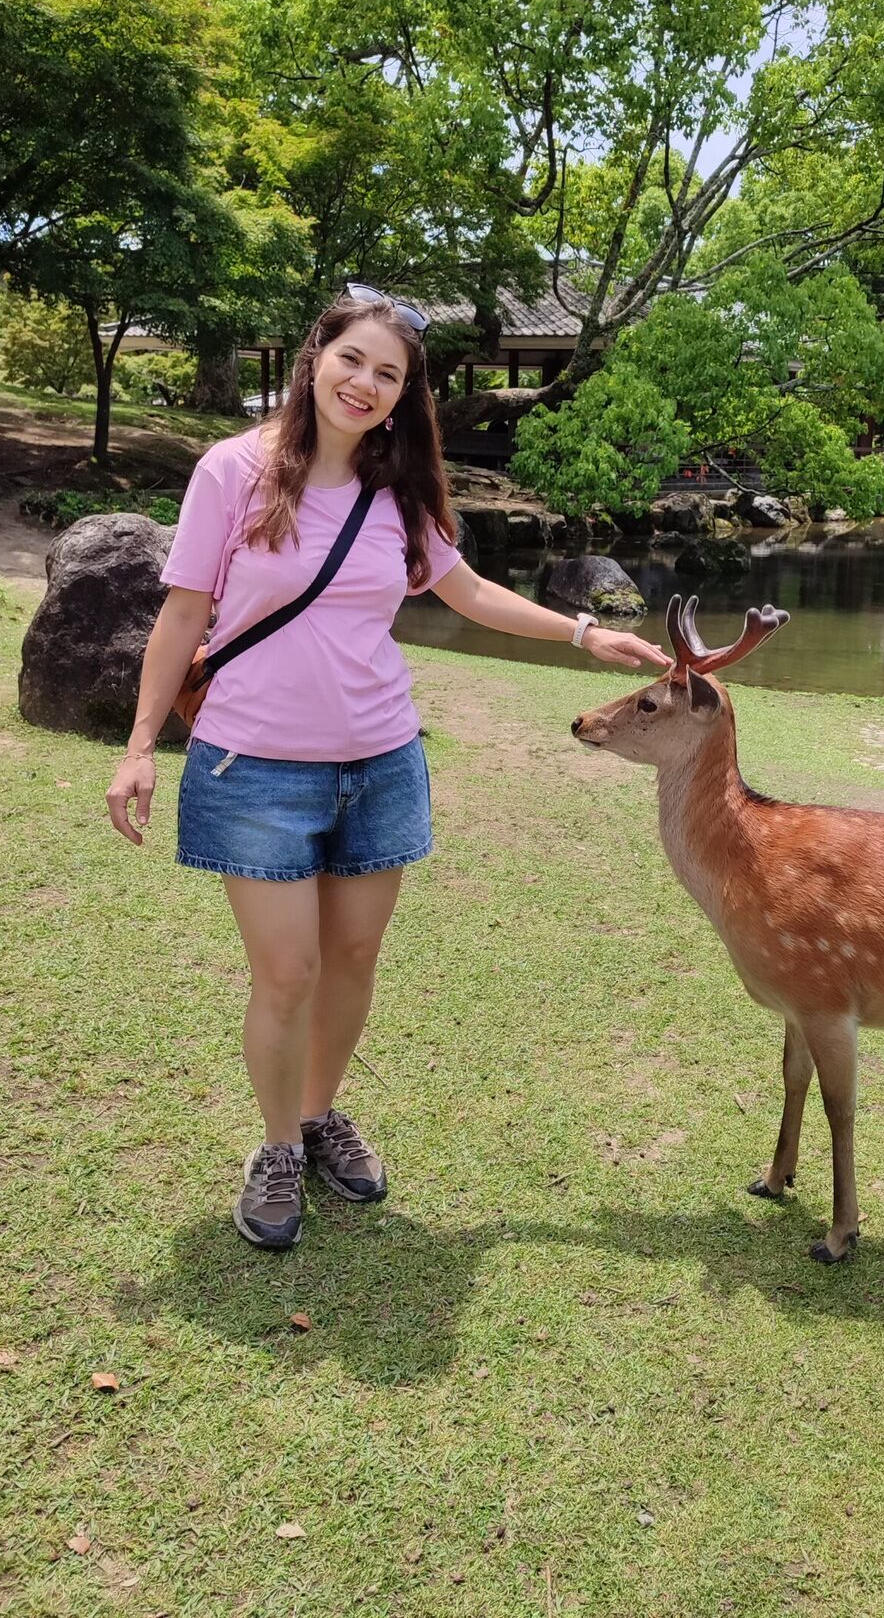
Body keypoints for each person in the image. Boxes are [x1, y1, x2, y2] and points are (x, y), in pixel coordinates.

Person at [106, 285, 668, 1251]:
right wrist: (140, 745)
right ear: (315, 357)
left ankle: (319, 1117)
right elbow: (186, 612)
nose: (366, 384)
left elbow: (469, 591)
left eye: (390, 375)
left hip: (380, 761)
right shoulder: (231, 472)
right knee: (288, 972)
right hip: (256, 768)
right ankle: (277, 1147)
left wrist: (585, 632)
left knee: (354, 960)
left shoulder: (397, 491)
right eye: (353, 360)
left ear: (406, 395)